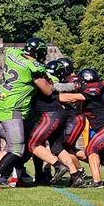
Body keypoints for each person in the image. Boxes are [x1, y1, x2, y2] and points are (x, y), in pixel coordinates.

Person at [0, 37, 56, 190]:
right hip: (13, 109)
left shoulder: (11, 53)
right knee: (16, 149)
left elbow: (12, 51)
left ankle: (19, 176)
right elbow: (48, 90)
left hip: (7, 105)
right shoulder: (32, 66)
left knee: (23, 145)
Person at [59, 68, 104, 188]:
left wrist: (54, 95)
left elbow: (73, 97)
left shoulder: (94, 88)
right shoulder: (95, 87)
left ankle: (97, 181)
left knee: (91, 150)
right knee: (94, 155)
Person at [28, 59, 84, 187]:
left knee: (32, 144)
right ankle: (75, 175)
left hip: (49, 115)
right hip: (59, 114)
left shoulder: (43, 80)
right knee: (57, 147)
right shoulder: (55, 81)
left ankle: (58, 166)